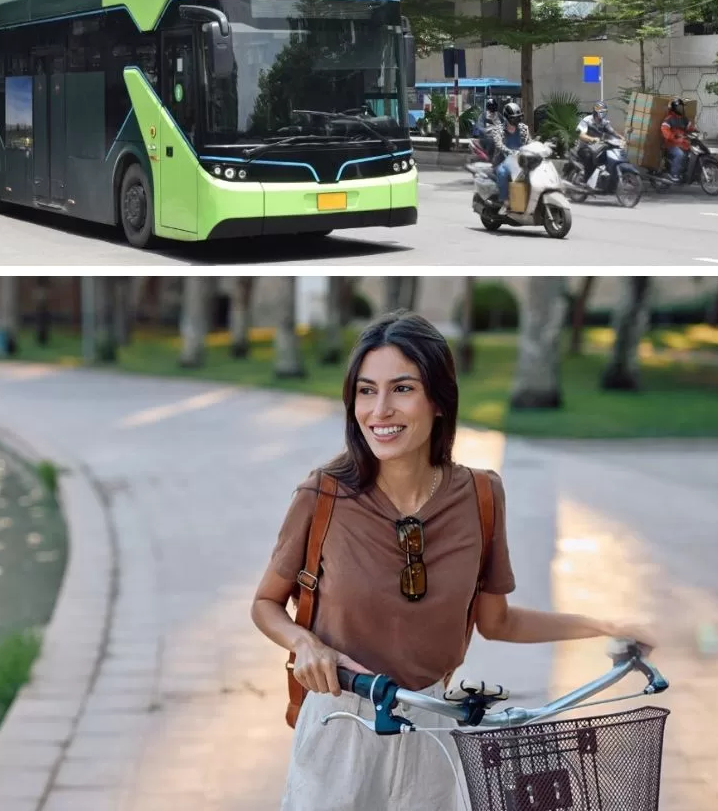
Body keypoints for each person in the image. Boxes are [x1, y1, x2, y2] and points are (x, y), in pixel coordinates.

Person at [251, 312, 652, 811]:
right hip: (342, 724)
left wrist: (603, 625)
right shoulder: (324, 494)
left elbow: (498, 622)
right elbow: (266, 603)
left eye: (401, 389)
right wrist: (304, 642)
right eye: (366, 391)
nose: (379, 410)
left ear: (438, 400)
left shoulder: (481, 495)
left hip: (434, 722)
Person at [490, 101, 531, 212]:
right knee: (503, 173)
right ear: (507, 118)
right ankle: (505, 201)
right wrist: (510, 151)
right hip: (502, 161)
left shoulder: (524, 129)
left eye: (518, 118)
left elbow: (529, 143)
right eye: (514, 118)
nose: (517, 121)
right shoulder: (497, 130)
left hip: (521, 161)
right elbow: (499, 144)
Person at [574, 101, 620, 190]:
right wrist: (592, 139)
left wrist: (622, 138)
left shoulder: (604, 122)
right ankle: (585, 180)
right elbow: (581, 135)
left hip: (598, 148)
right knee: (589, 157)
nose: (602, 113)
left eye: (604, 111)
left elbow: (612, 132)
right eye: (601, 111)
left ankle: (606, 180)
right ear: (595, 111)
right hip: (584, 148)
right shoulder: (587, 121)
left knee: (610, 156)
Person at [659, 98, 693, 182]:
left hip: (683, 143)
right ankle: (674, 174)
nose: (681, 109)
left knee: (691, 154)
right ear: (674, 108)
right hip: (671, 145)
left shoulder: (684, 119)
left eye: (682, 107)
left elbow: (690, 127)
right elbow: (665, 130)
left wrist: (696, 131)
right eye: (679, 107)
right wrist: (674, 136)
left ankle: (684, 172)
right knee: (680, 155)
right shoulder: (669, 119)